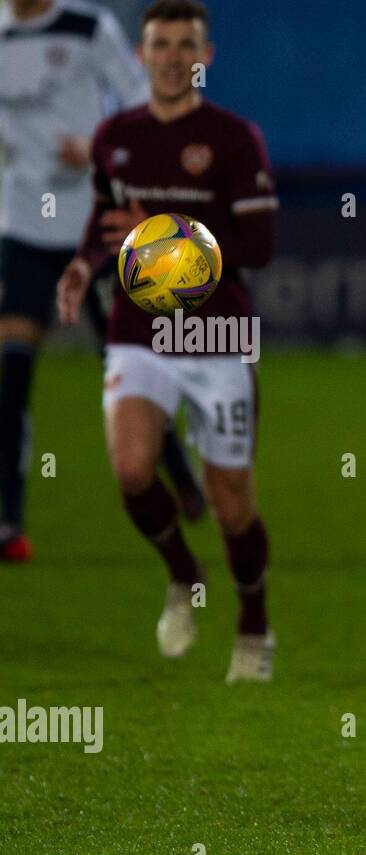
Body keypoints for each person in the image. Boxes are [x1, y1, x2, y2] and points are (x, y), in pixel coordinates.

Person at [55, 0, 278, 682]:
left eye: (187, 44)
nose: (174, 56)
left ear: (205, 56)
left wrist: (169, 231)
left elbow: (259, 246)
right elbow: (106, 222)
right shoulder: (114, 136)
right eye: (161, 44)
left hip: (217, 331)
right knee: (130, 471)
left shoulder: (236, 138)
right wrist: (81, 266)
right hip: (138, 330)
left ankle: (253, 619)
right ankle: (183, 574)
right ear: (140, 56)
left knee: (231, 498)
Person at [0, 0, 202, 562]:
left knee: (128, 365)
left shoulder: (89, 28)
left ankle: (179, 472)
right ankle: (9, 519)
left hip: (98, 222)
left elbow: (144, 107)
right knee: (12, 370)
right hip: (22, 224)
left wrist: (96, 150)